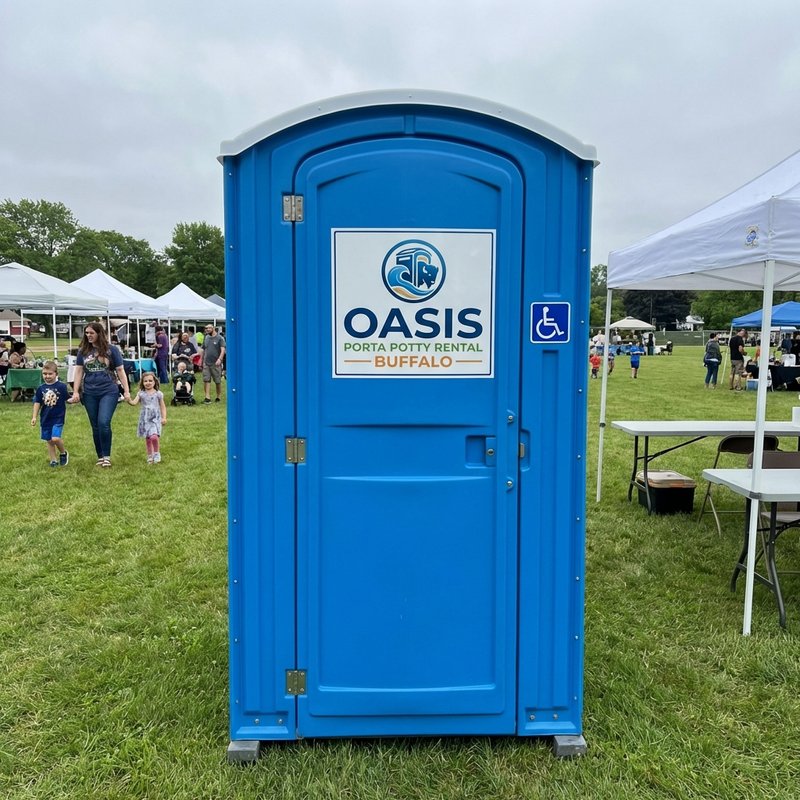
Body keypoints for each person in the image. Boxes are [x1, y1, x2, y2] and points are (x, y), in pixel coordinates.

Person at [68, 322, 131, 468]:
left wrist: (126, 390)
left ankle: (107, 456)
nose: (88, 335)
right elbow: (78, 371)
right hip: (89, 392)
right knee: (95, 426)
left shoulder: (111, 350)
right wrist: (76, 391)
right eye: (86, 333)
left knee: (103, 422)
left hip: (109, 391)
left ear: (99, 333)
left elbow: (120, 371)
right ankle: (100, 456)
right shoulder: (83, 351)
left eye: (91, 333)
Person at [30, 360, 69, 467]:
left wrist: (74, 399)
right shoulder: (40, 388)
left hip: (58, 417)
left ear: (56, 374)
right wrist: (34, 417)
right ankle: (53, 460)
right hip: (45, 418)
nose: (47, 376)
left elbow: (67, 398)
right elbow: (37, 402)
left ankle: (63, 452)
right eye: (45, 374)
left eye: (50, 374)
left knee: (55, 438)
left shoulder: (61, 386)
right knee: (49, 441)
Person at [127, 371, 167, 464]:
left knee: (154, 436)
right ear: (142, 383)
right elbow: (134, 403)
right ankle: (150, 455)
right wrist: (129, 400)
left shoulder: (158, 394)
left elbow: (162, 406)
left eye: (150, 380)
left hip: (155, 418)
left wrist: (164, 417)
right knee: (148, 437)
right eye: (145, 381)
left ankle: (156, 453)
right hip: (145, 419)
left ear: (154, 382)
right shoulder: (141, 394)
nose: (148, 383)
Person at [201, 324, 226, 403]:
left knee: (217, 381)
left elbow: (223, 350)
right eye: (206, 328)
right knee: (206, 379)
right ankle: (207, 397)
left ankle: (218, 396)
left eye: (209, 328)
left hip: (216, 363)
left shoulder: (220, 338)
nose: (207, 329)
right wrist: (202, 361)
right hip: (206, 363)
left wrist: (220, 359)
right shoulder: (206, 337)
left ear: (214, 328)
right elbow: (203, 349)